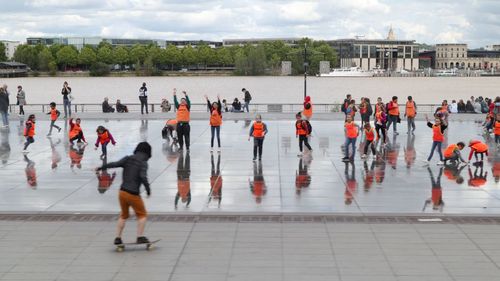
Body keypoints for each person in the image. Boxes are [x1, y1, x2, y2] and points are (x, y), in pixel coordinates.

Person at [96, 142, 152, 246]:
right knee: (142, 215)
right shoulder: (143, 163)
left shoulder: (128, 158)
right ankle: (140, 237)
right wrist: (148, 190)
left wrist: (100, 167)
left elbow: (114, 164)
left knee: (124, 215)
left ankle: (118, 238)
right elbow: (143, 177)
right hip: (133, 194)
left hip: (122, 192)